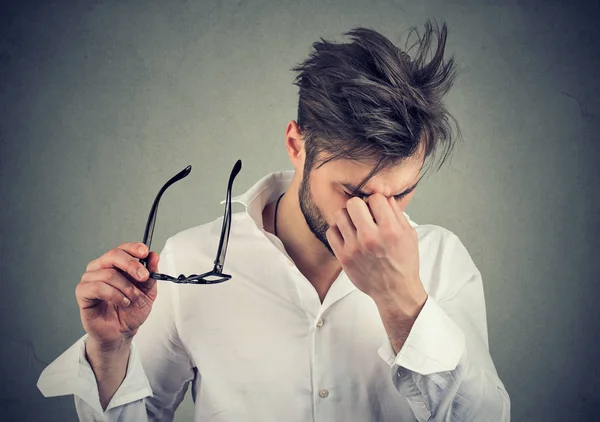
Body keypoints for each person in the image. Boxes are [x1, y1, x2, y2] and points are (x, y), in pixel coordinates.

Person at [37, 20, 511, 421]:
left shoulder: (443, 261)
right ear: (296, 144)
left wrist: (404, 302)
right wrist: (109, 351)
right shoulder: (192, 261)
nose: (378, 217)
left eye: (403, 192)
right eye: (353, 192)